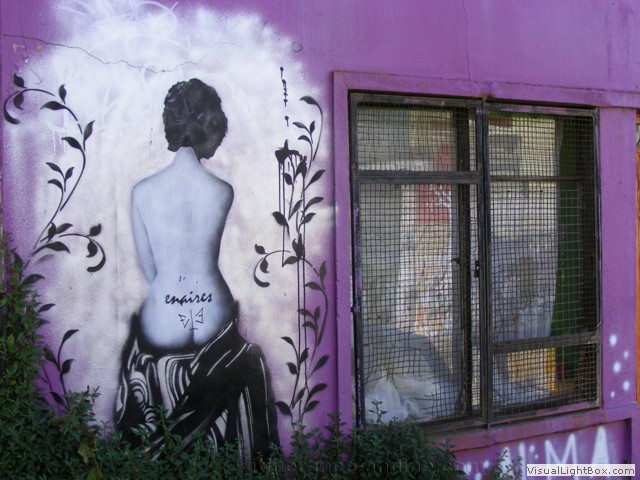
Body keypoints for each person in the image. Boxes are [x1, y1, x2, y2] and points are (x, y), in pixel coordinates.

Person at [115, 79, 279, 463]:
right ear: (206, 123)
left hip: (162, 316)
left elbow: (152, 270)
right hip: (216, 320)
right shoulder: (222, 190)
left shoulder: (142, 192)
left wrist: (173, 295)